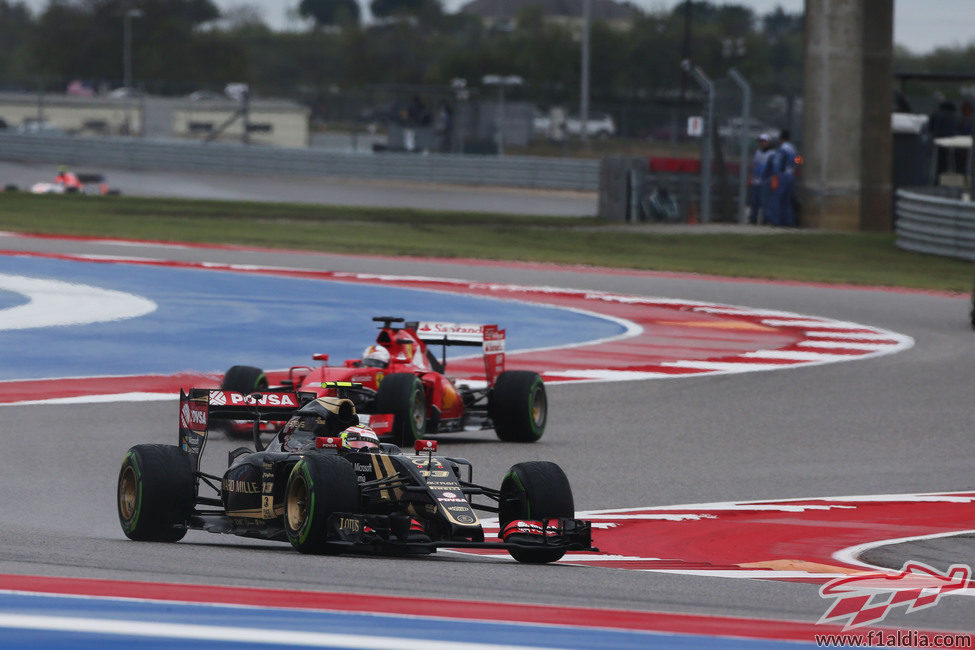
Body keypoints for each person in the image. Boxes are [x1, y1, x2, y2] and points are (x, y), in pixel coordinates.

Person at [771, 130, 800, 227]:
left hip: (783, 176)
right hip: (791, 175)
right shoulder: (793, 149)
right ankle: (789, 222)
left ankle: (777, 222)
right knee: (787, 201)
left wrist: (776, 175)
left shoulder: (782, 149)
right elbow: (798, 160)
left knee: (778, 199)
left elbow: (777, 163)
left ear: (781, 138)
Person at [748, 134, 774, 224]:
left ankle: (766, 220)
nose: (762, 143)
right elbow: (754, 166)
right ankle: (753, 219)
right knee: (754, 201)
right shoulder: (758, 152)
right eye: (761, 141)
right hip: (756, 181)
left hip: (766, 181)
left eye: (764, 141)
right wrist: (750, 178)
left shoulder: (773, 153)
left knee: (765, 202)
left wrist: (799, 160)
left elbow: (797, 159)